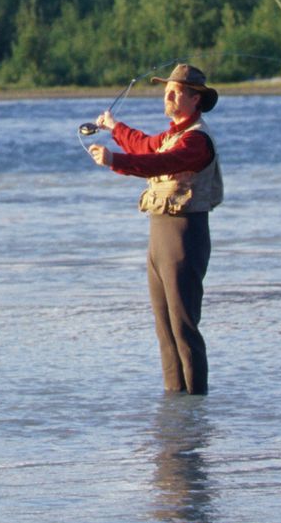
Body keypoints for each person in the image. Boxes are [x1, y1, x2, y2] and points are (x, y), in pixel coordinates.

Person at [86, 62, 223, 395]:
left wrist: (114, 160)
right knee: (164, 331)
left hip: (184, 237)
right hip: (159, 238)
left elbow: (161, 162)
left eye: (176, 92)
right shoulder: (172, 135)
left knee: (184, 329)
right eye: (166, 91)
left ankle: (195, 414)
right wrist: (114, 127)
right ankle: (176, 417)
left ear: (195, 100)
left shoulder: (196, 141)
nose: (168, 95)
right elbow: (146, 146)